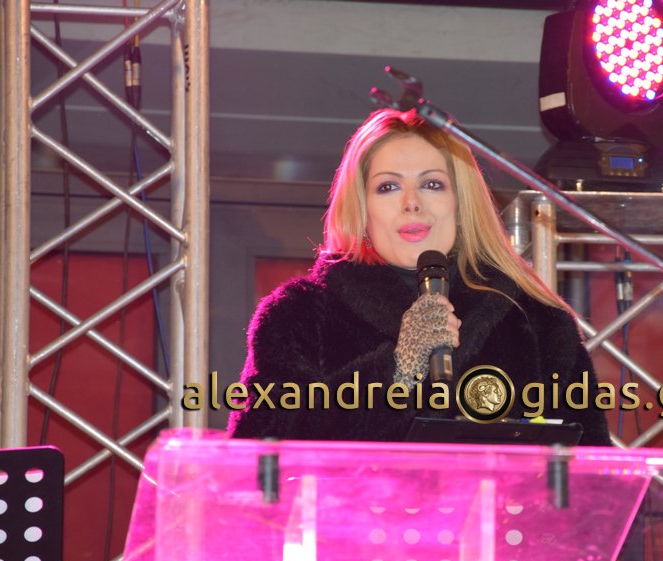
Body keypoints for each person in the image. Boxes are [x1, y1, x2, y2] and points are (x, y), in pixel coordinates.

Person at [227, 108, 610, 446]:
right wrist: (398, 369)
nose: (411, 202)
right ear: (362, 209)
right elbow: (259, 450)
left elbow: (594, 473)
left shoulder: (536, 320)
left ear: (461, 204)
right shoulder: (297, 314)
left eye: (432, 184)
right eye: (388, 186)